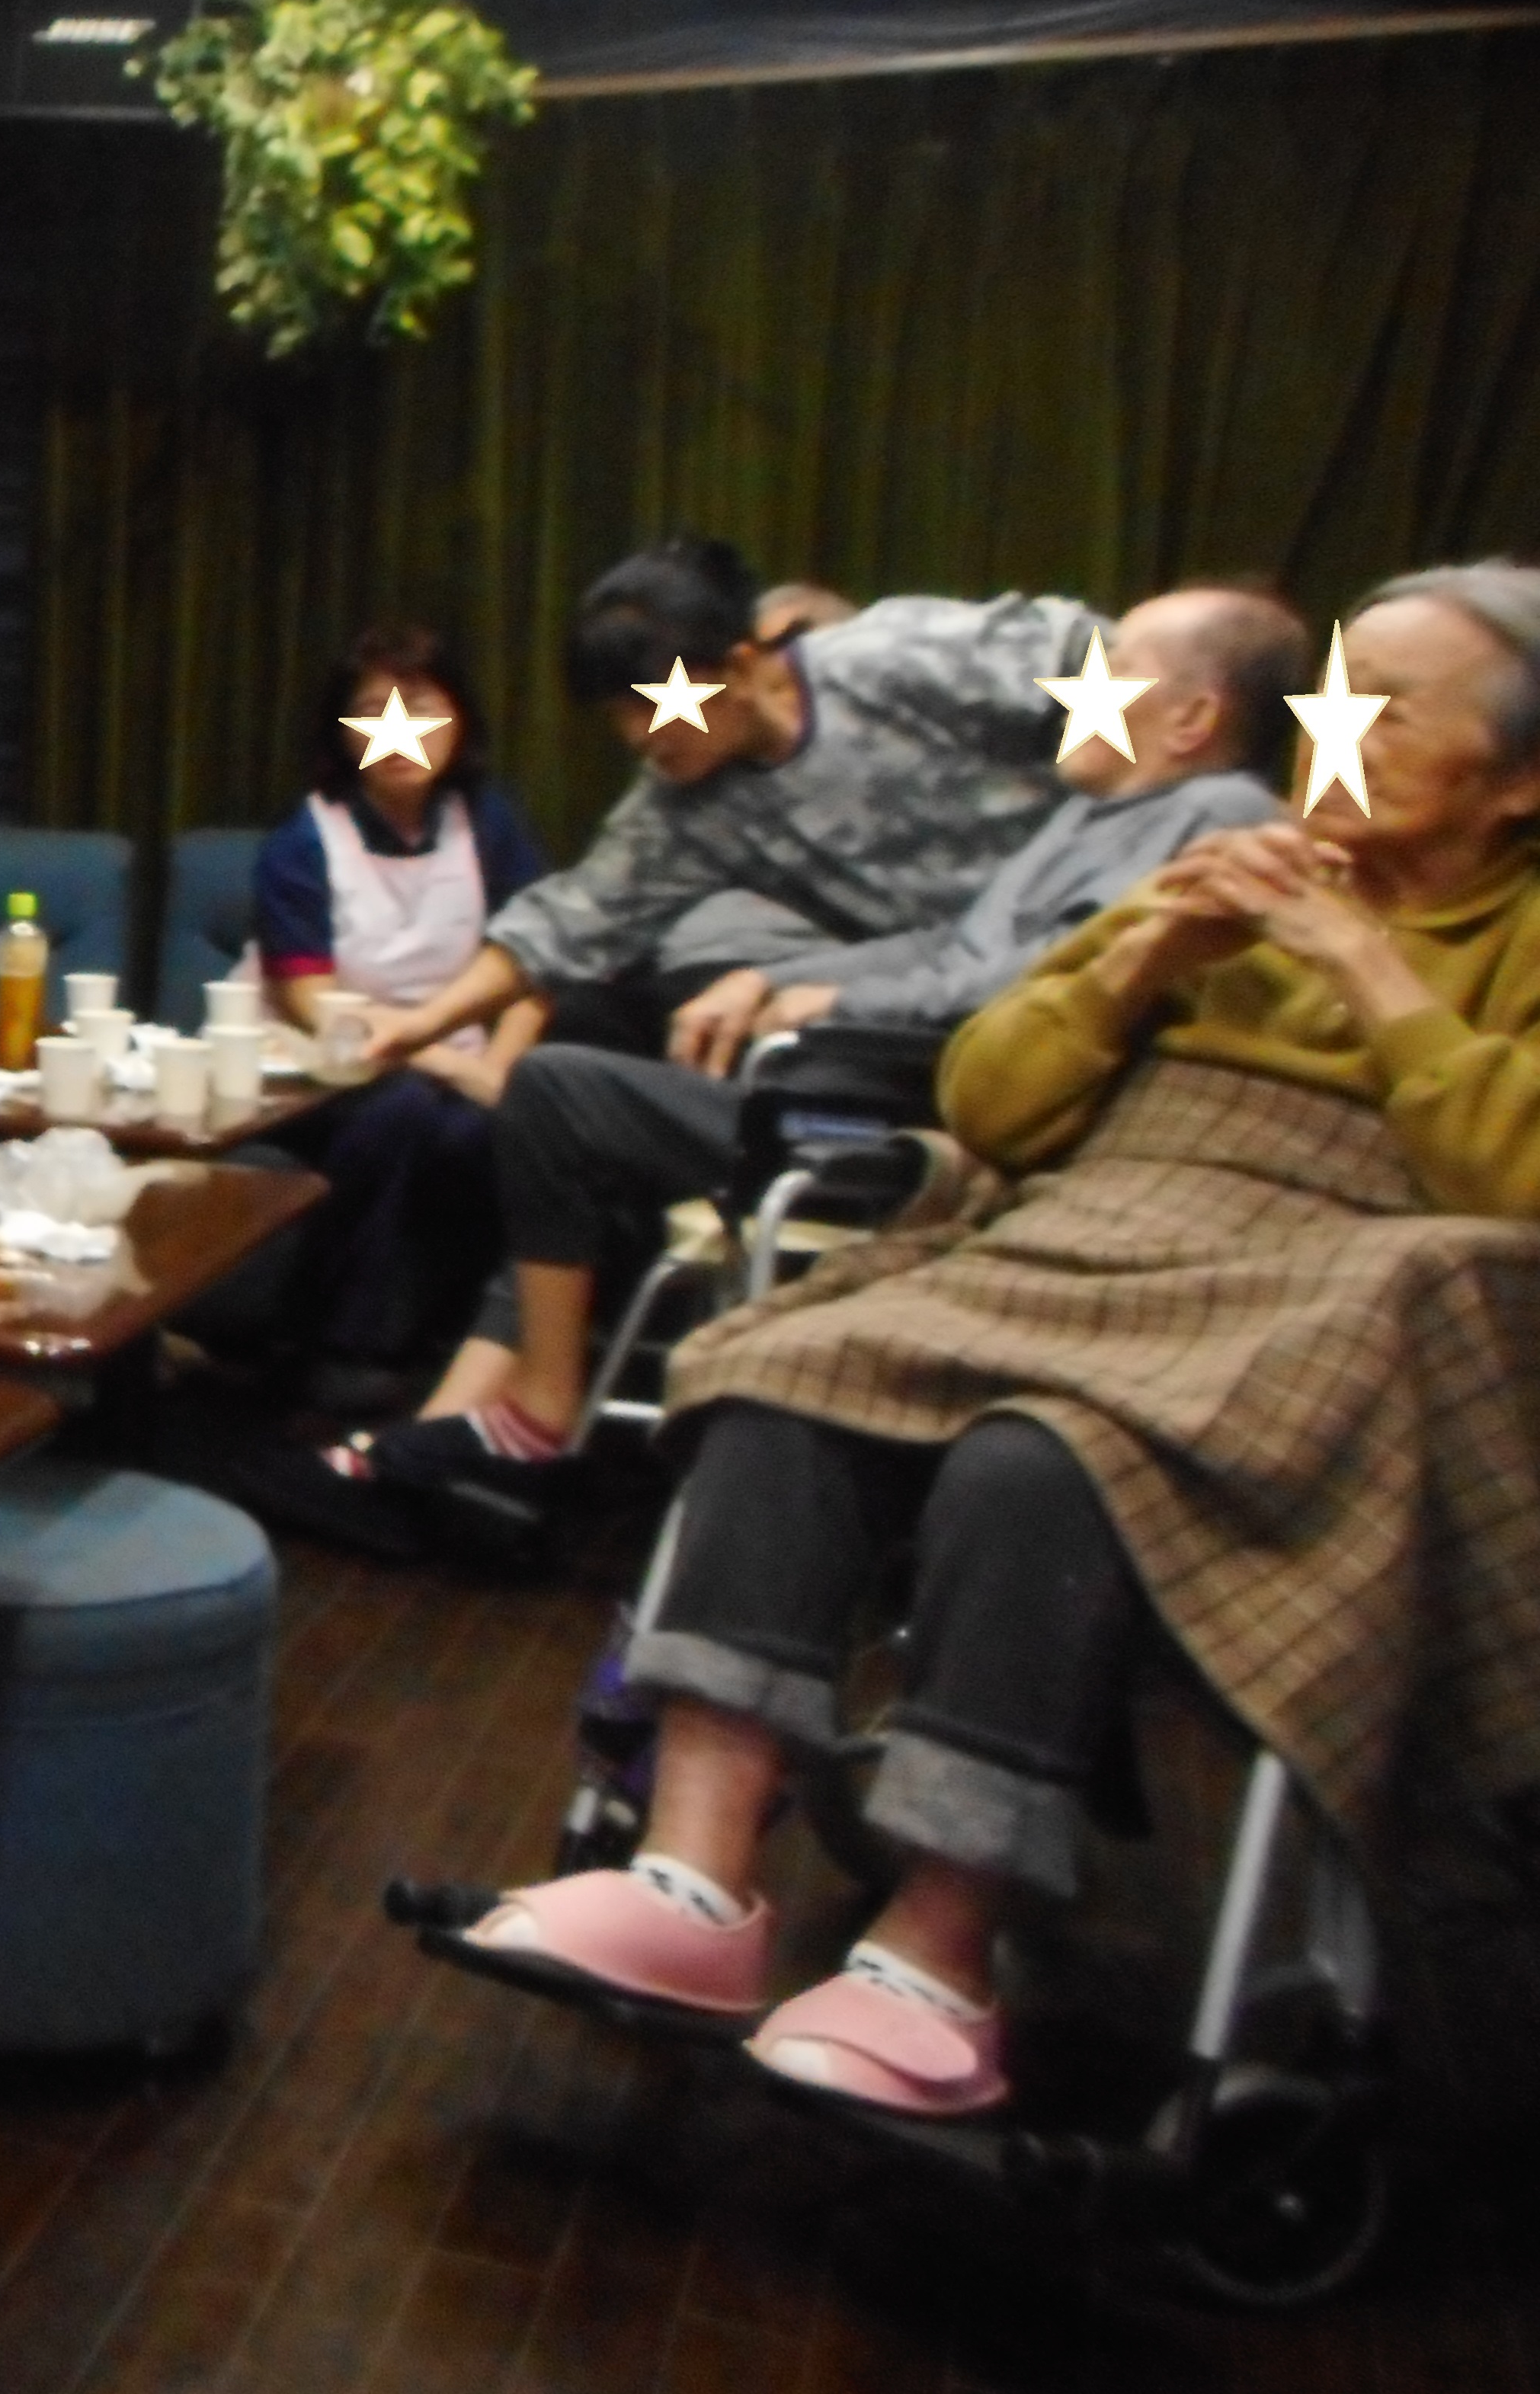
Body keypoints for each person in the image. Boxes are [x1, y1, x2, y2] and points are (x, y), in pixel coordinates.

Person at [420, 565, 1540, 2120]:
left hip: (1321, 1269)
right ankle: (688, 1880)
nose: (1333, 734)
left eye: (1389, 713)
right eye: (1332, 697)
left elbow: (1512, 1174)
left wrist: (1361, 960)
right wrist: (1144, 956)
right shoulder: (1215, 869)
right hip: (1103, 1212)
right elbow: (991, 1101)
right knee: (787, 1372)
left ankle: (934, 1957)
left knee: (1043, 1455)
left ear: (1517, 780)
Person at [357, 585, 1309, 1490]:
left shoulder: (1209, 818)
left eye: (1115, 666)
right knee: (585, 1068)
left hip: (937, 1106)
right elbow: (946, 944)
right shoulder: (1094, 810)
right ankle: (499, 1415)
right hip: (893, 1061)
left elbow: (1029, 988)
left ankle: (534, 1414)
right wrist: (776, 984)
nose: (1077, 684)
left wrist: (834, 1006)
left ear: (1191, 719)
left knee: (560, 1092)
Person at [361, 539, 1103, 1074]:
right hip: (959, 988)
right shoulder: (682, 807)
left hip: (1098, 902)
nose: (638, 736)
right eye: (618, 715)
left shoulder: (888, 658)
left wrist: (1135, 806)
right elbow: (565, 923)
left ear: (741, 668)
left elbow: (1091, 651)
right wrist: (421, 1024)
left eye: (650, 705)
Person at [229, 626, 552, 1391]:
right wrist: (452, 1066)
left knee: (478, 1130)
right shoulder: (304, 838)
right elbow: (310, 1001)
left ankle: (447, 1348)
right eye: (373, 710)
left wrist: (500, 1069)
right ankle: (348, 1354)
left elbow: (538, 966)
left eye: (422, 707)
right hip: (320, 1065)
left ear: (461, 720)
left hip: (461, 1062)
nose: (398, 730)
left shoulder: (490, 823)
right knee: (402, 1112)